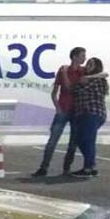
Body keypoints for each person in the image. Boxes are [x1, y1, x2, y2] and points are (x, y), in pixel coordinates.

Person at [32, 47, 85, 177]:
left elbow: (72, 87)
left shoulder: (82, 72)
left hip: (76, 111)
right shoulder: (63, 71)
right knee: (53, 140)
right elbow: (55, 92)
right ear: (75, 57)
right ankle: (44, 167)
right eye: (82, 56)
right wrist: (58, 108)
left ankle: (66, 168)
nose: (84, 58)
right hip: (64, 109)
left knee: (73, 143)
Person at [71, 58, 109, 177]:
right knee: (82, 140)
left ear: (96, 67)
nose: (87, 66)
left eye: (91, 64)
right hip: (85, 113)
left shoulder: (97, 80)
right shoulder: (90, 78)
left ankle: (88, 168)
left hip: (92, 113)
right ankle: (90, 166)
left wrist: (82, 80)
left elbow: (77, 89)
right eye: (87, 64)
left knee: (87, 140)